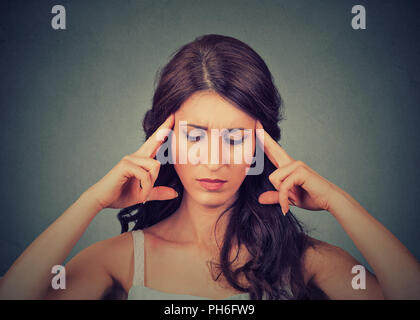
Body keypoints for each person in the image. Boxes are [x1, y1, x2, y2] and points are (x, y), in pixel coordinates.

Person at [0, 34, 419, 300]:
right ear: (163, 139)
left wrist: (338, 202)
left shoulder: (305, 261)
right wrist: (90, 201)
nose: (214, 160)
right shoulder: (124, 260)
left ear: (261, 144)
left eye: (235, 138)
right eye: (195, 135)